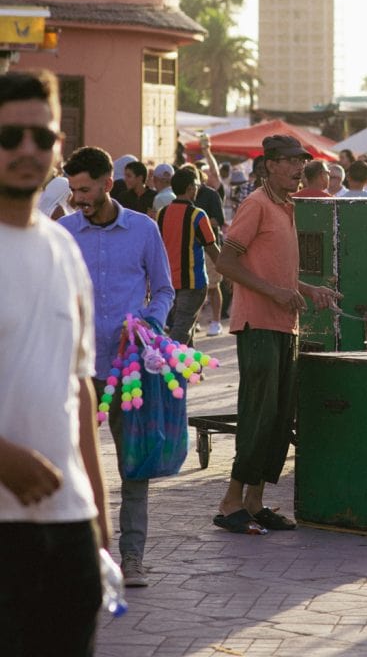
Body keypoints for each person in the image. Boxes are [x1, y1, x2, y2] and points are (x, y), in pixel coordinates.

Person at [0, 70, 110, 656]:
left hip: (69, 529)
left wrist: (98, 513)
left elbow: (80, 389)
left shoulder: (64, 246)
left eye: (41, 139)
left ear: (58, 149)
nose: (26, 150)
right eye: (9, 136)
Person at [214, 135, 340, 533]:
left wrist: (307, 289)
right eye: (288, 161)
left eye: (301, 161)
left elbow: (276, 271)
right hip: (258, 325)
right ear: (269, 165)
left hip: (285, 324)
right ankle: (231, 502)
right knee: (258, 414)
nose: (297, 167)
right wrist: (275, 293)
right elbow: (226, 263)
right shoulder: (256, 204)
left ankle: (255, 502)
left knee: (280, 418)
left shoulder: (287, 206)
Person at [61, 146, 174, 587]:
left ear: (109, 184)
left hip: (130, 370)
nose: (78, 199)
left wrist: (147, 322)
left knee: (135, 467)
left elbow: (164, 291)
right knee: (76, 468)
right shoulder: (64, 232)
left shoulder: (145, 230)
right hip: (78, 371)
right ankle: (87, 557)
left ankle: (133, 559)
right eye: (73, 191)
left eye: (85, 190)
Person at [158, 167, 220, 345]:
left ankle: (194, 373)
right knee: (181, 335)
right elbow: (212, 249)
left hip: (169, 283)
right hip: (193, 284)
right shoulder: (198, 215)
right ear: (191, 188)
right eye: (198, 185)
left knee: (184, 330)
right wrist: (229, 273)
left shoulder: (162, 213)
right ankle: (169, 370)